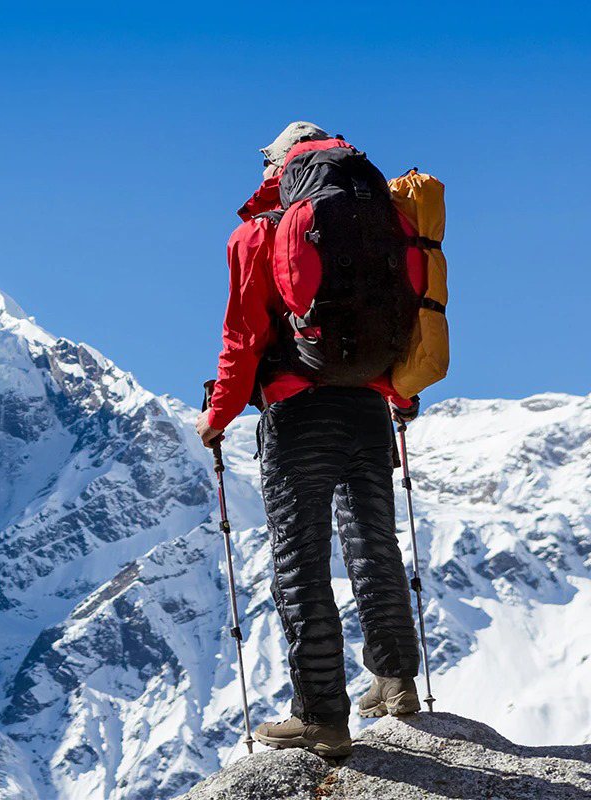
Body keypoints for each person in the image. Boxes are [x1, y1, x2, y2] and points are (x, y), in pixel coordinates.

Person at [196, 122, 422, 757]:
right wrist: (400, 397)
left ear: (276, 167)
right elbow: (404, 313)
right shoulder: (386, 217)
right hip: (371, 408)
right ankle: (396, 684)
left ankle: (322, 716)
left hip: (298, 414)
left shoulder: (261, 231)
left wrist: (217, 415)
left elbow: (242, 338)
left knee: (301, 562)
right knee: (375, 545)